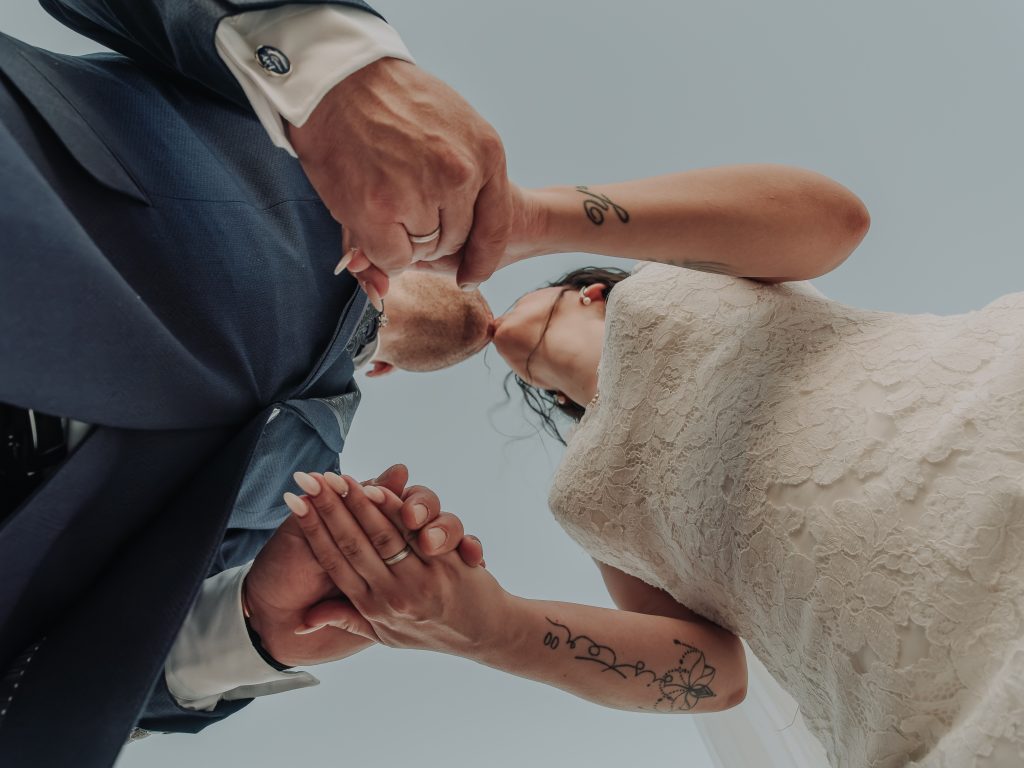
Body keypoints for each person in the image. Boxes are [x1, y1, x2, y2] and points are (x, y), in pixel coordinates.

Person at [291, 166, 1024, 767]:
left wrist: (529, 220)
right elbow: (714, 675)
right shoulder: (585, 496)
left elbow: (837, 222)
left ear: (590, 291)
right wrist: (494, 628)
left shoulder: (677, 281)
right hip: (911, 674)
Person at [0, 0, 510, 762]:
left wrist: (257, 629)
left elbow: (129, 663)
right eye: (428, 241)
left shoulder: (304, 504)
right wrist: (336, 73)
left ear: (381, 368)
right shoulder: (306, 143)